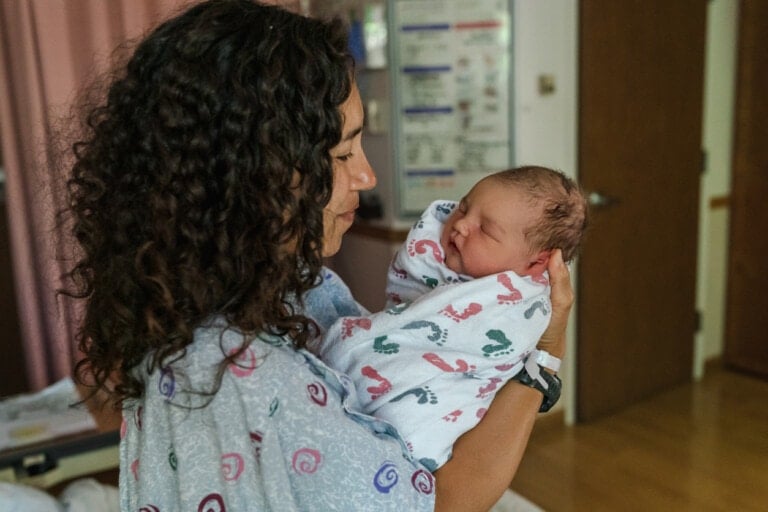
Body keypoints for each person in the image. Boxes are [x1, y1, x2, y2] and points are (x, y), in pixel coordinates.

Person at [62, 1, 574, 511]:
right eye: (343, 153)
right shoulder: (241, 370)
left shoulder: (271, 286)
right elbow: (442, 501)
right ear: (261, 174)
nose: (368, 177)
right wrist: (543, 359)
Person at [312, 166, 587, 471]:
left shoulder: (518, 306)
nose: (462, 225)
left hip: (444, 398)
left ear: (535, 263)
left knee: (408, 430)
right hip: (385, 369)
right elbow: (409, 293)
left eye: (486, 229)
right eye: (464, 207)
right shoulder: (438, 255)